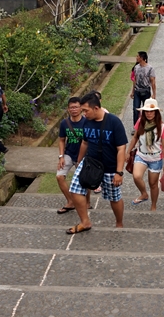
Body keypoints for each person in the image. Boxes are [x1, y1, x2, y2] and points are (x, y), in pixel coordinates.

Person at [66, 93, 128, 234]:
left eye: (86, 110)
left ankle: (119, 223)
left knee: (114, 198)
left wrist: (119, 172)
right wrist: (79, 161)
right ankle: (85, 221)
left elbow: (121, 148)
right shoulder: (87, 121)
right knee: (75, 190)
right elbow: (85, 142)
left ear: (95, 108)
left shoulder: (114, 122)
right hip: (90, 164)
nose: (84, 113)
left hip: (110, 167)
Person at [126, 98, 164, 210]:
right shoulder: (140, 122)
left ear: (156, 112)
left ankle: (153, 204)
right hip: (141, 155)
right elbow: (135, 137)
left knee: (153, 184)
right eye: (147, 111)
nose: (149, 114)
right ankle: (144, 194)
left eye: (151, 111)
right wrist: (128, 151)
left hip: (156, 158)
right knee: (136, 176)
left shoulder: (162, 127)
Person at [56, 97, 85, 214]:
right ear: (68, 109)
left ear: (81, 108)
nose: (74, 110)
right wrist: (61, 156)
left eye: (76, 107)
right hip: (69, 154)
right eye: (71, 107)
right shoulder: (64, 123)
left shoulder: (86, 122)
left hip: (83, 157)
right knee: (59, 176)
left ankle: (86, 203)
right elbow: (62, 140)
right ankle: (70, 201)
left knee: (83, 181)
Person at [130, 51, 156, 127]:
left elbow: (153, 82)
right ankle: (136, 126)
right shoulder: (136, 67)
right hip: (137, 91)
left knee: (147, 110)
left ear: (142, 58)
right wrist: (133, 91)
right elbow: (135, 80)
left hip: (146, 91)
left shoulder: (150, 68)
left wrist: (154, 94)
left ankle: (147, 124)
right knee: (135, 109)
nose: (136, 58)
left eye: (138, 56)